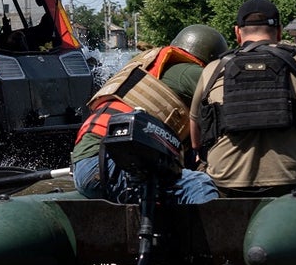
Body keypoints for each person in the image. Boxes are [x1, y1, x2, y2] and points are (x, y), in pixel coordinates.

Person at [190, 0, 296, 197]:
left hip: (226, 185)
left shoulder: (213, 70)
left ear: (237, 33)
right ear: (280, 32)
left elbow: (196, 141)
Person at [70, 24, 228, 205]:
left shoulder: (149, 66)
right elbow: (234, 92)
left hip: (87, 163)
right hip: (110, 163)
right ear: (211, 59)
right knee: (198, 184)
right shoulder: (190, 72)